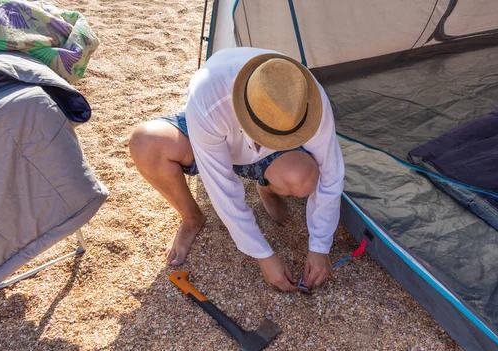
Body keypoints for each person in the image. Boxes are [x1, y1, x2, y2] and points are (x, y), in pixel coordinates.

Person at [129, 48, 344, 291]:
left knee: (303, 178)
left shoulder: (305, 99)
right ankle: (191, 218)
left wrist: (320, 247)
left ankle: (267, 188)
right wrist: (262, 254)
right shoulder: (209, 98)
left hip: (270, 157)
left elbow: (331, 173)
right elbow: (222, 187)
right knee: (145, 143)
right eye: (262, 134)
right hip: (217, 139)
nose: (264, 141)